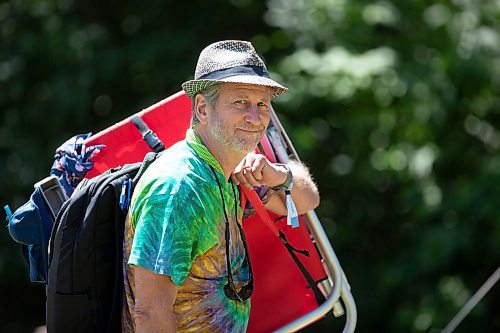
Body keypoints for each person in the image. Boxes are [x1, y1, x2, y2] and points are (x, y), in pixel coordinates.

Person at [122, 40, 320, 333]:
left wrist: (279, 175)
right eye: (240, 101)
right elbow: (150, 312)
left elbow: (308, 200)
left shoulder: (227, 173)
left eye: (262, 104)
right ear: (202, 108)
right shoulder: (179, 188)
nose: (255, 117)